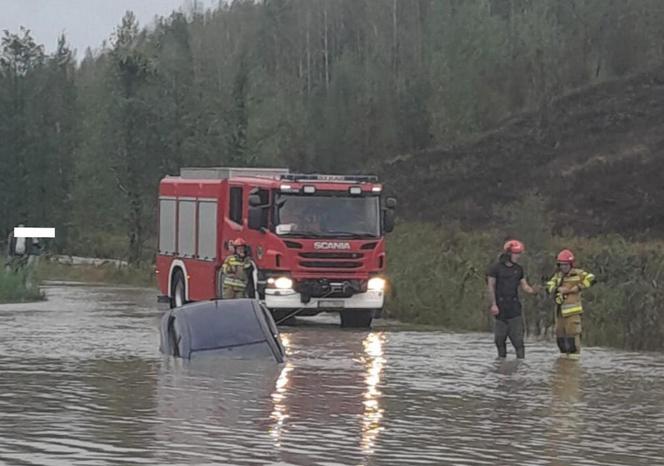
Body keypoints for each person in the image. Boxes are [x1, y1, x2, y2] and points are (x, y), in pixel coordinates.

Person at [487, 239, 539, 359]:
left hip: (514, 309)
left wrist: (532, 290)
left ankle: (520, 363)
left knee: (518, 341)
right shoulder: (495, 268)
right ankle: (501, 362)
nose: (518, 256)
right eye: (516, 253)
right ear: (508, 254)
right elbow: (491, 287)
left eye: (519, 253)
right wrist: (493, 304)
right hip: (500, 308)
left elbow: (524, 285)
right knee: (499, 340)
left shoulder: (519, 269)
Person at [545, 249, 596, 360]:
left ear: (571, 264)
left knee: (572, 340)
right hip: (559, 313)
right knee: (560, 339)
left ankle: (573, 367)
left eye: (566, 264)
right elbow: (549, 285)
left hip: (573, 314)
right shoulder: (558, 276)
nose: (563, 267)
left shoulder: (578, 274)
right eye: (561, 264)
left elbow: (591, 278)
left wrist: (577, 288)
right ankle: (563, 365)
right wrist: (558, 289)